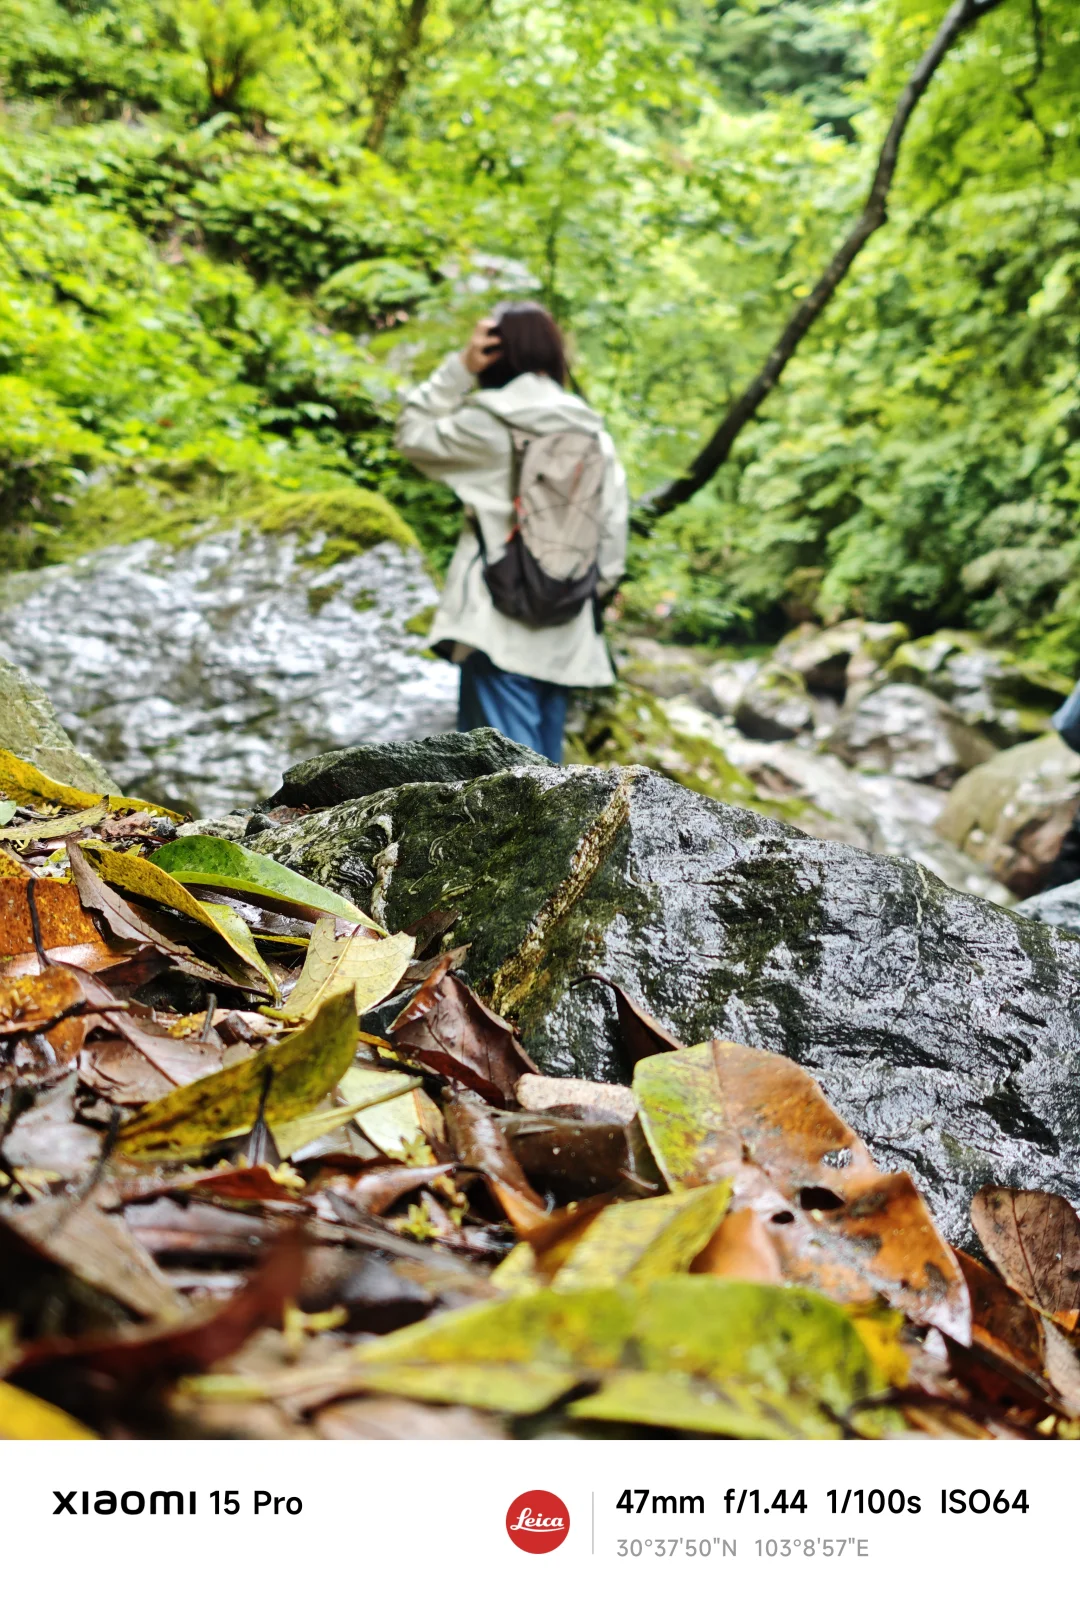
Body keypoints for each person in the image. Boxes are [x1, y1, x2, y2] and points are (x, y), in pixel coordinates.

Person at [394, 301, 628, 762]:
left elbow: (411, 433)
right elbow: (613, 539)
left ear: (497, 353)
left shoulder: (489, 423)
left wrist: (459, 369)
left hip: (495, 623)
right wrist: (581, 594)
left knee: (502, 788)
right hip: (567, 630)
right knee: (551, 789)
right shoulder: (595, 434)